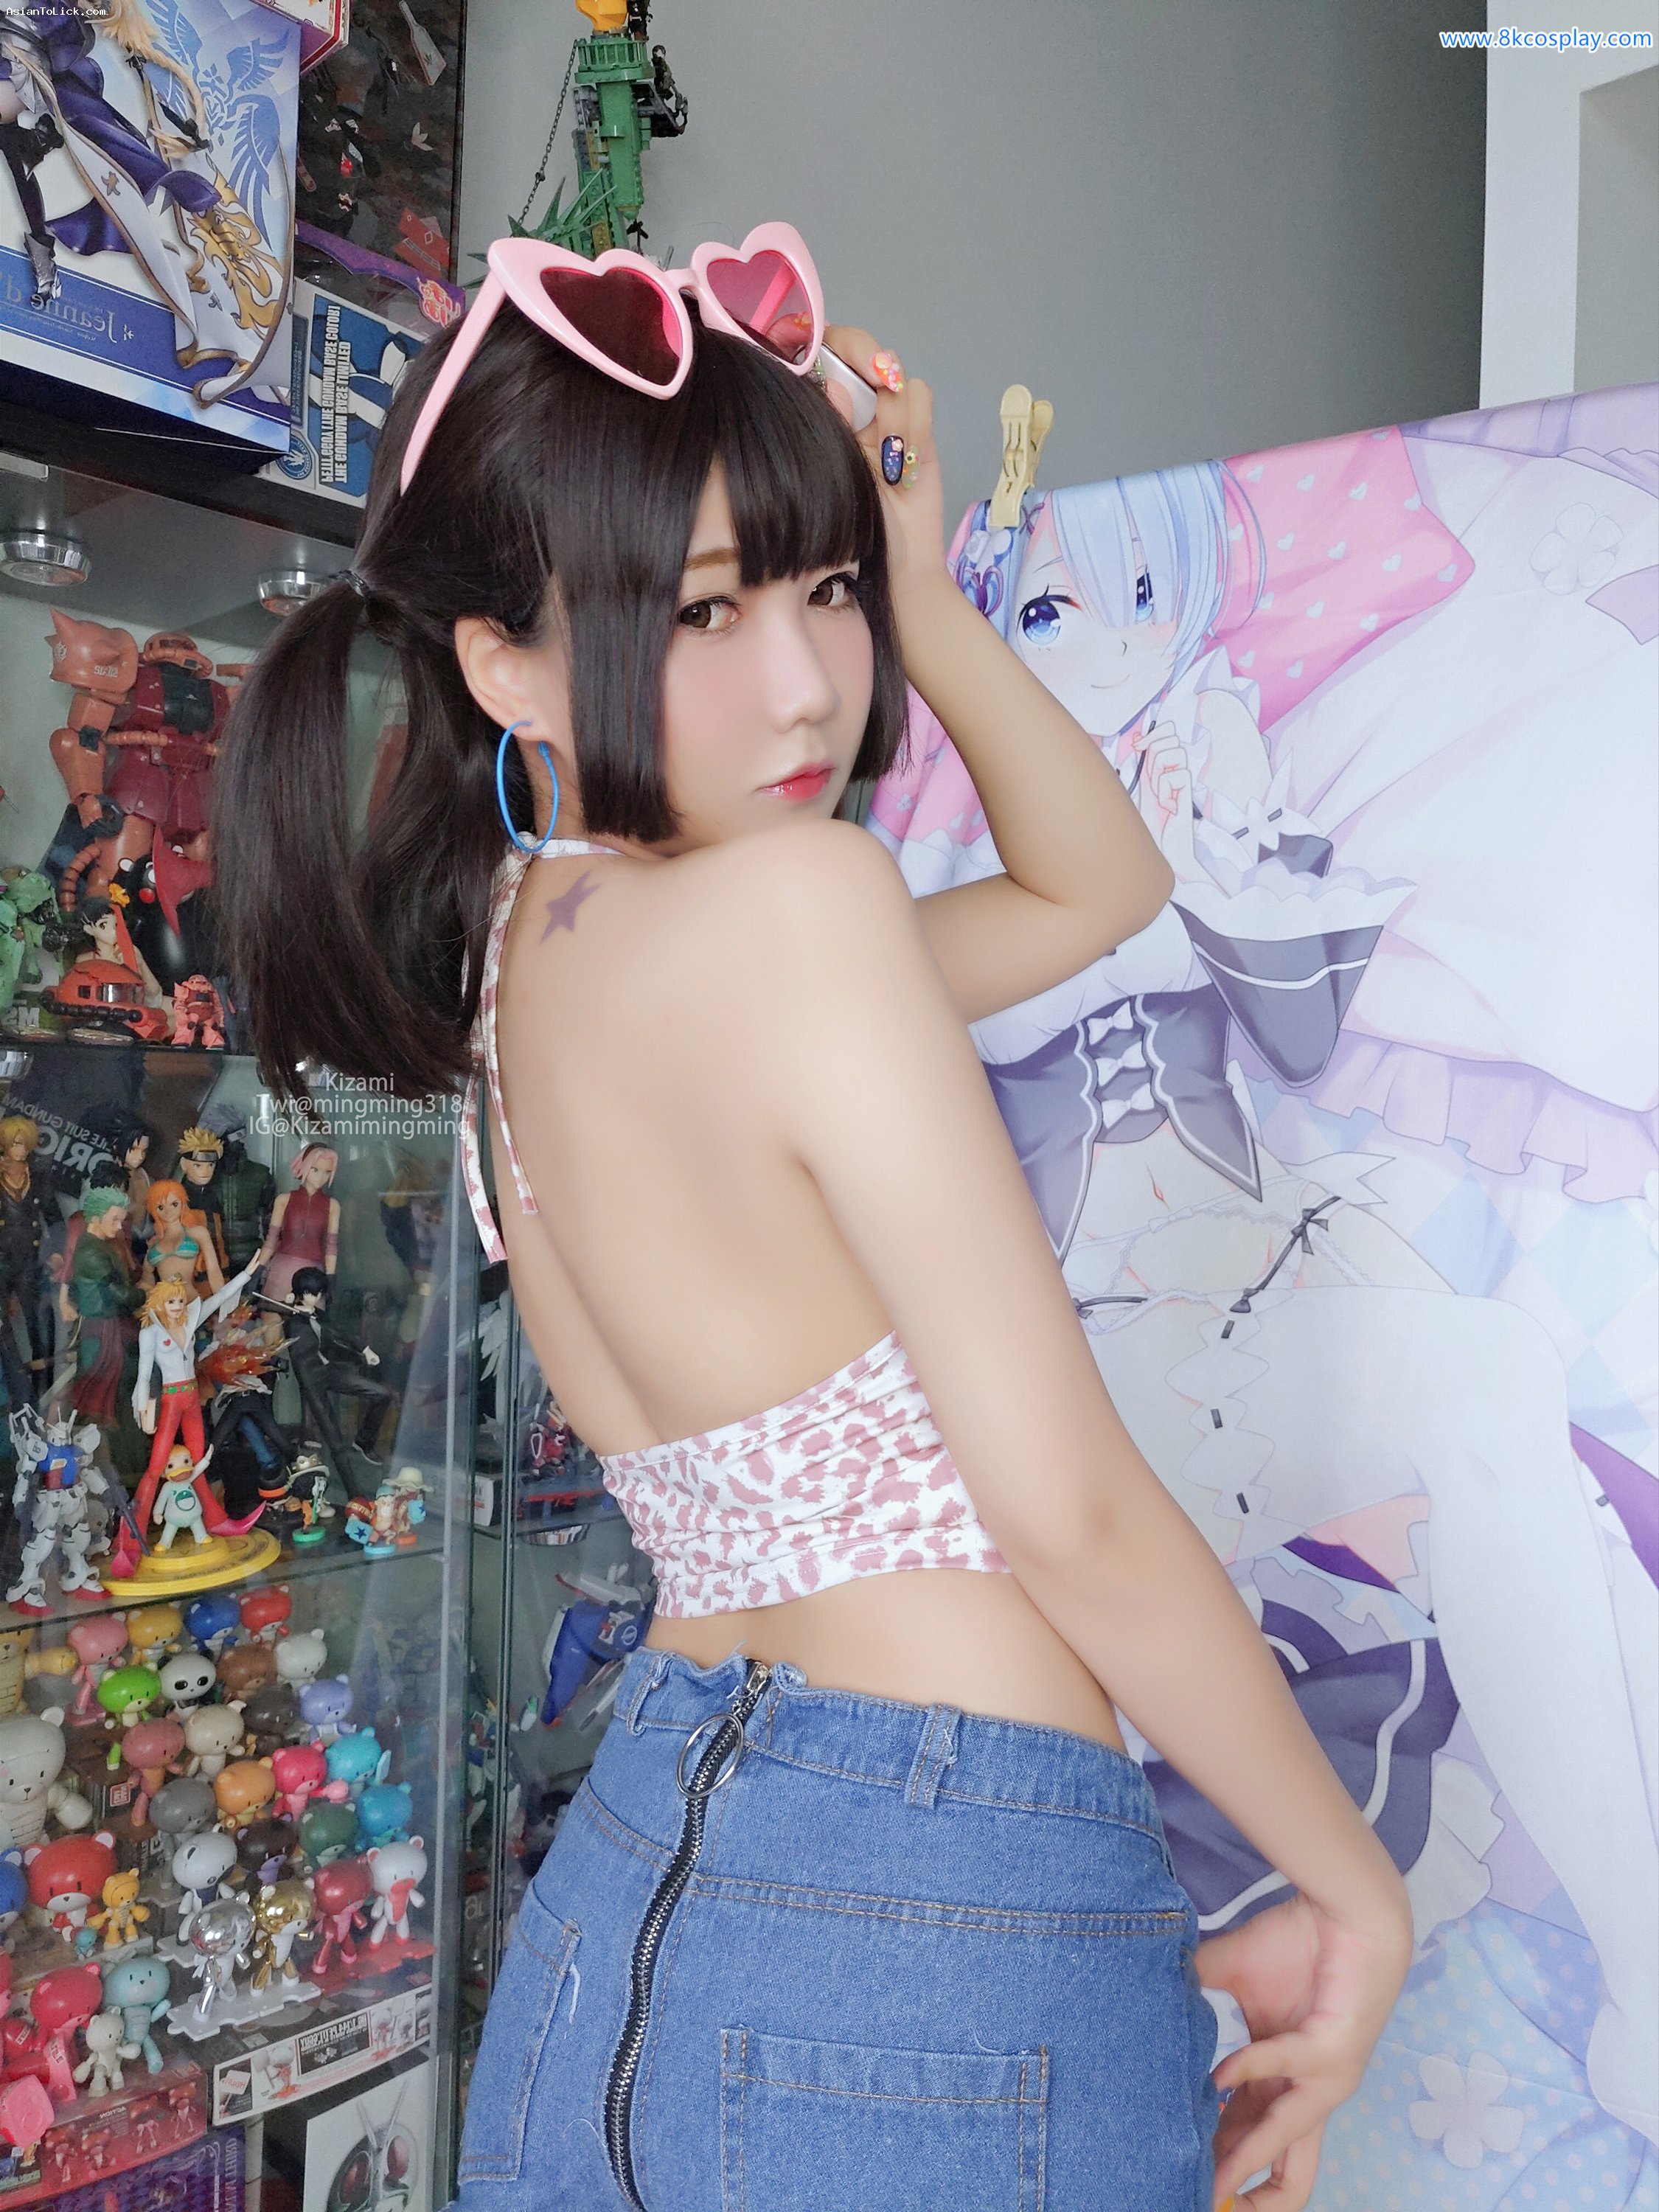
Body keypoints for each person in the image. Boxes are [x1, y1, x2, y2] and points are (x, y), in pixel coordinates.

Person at [214, 223, 1413, 2211]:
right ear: (500, 659)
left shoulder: (533, 952)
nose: (804, 687)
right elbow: (1071, 1516)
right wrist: (1347, 1881)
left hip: (625, 1924)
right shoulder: (794, 915)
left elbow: (1089, 891)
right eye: (703, 611)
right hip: (932, 1928)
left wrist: (921, 592)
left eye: (827, 589)